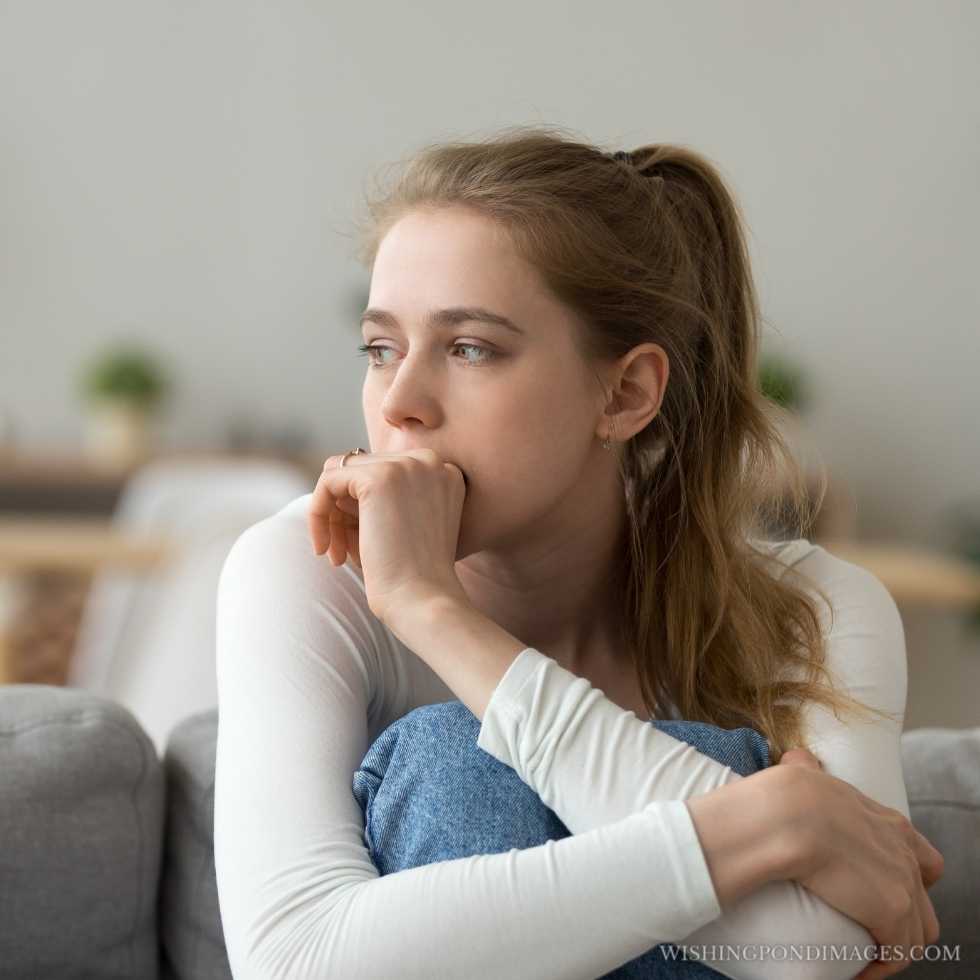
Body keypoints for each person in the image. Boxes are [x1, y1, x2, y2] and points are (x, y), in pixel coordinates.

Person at [214, 126, 944, 980]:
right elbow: (295, 962)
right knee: (453, 761)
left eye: (469, 348)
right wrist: (756, 825)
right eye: (382, 349)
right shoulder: (305, 570)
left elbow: (824, 953)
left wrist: (443, 620)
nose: (401, 403)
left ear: (626, 392)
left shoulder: (815, 609)